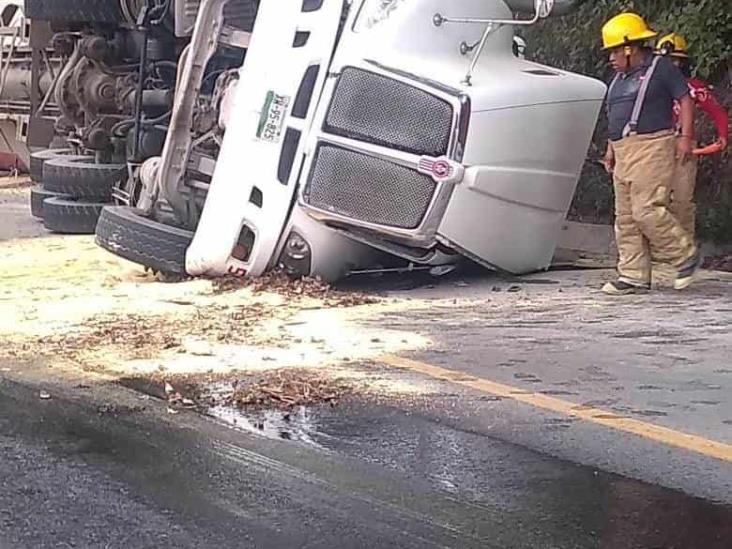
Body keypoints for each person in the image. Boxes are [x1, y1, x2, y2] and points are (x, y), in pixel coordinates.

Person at [601, 13, 699, 295]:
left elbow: (685, 98)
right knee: (626, 218)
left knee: (647, 210)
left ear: (630, 47)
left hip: (653, 145)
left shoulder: (661, 68)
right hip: (623, 149)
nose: (611, 58)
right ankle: (633, 275)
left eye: (614, 51)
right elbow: (615, 116)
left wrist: (685, 137)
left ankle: (685, 254)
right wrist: (611, 148)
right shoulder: (619, 79)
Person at [655, 32, 729, 239]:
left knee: (682, 199)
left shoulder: (694, 87)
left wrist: (722, 136)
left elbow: (717, 111)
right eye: (665, 60)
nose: (670, 64)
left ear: (682, 61)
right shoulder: (646, 84)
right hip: (653, 146)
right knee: (653, 198)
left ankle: (684, 246)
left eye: (674, 60)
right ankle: (658, 246)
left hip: (684, 146)